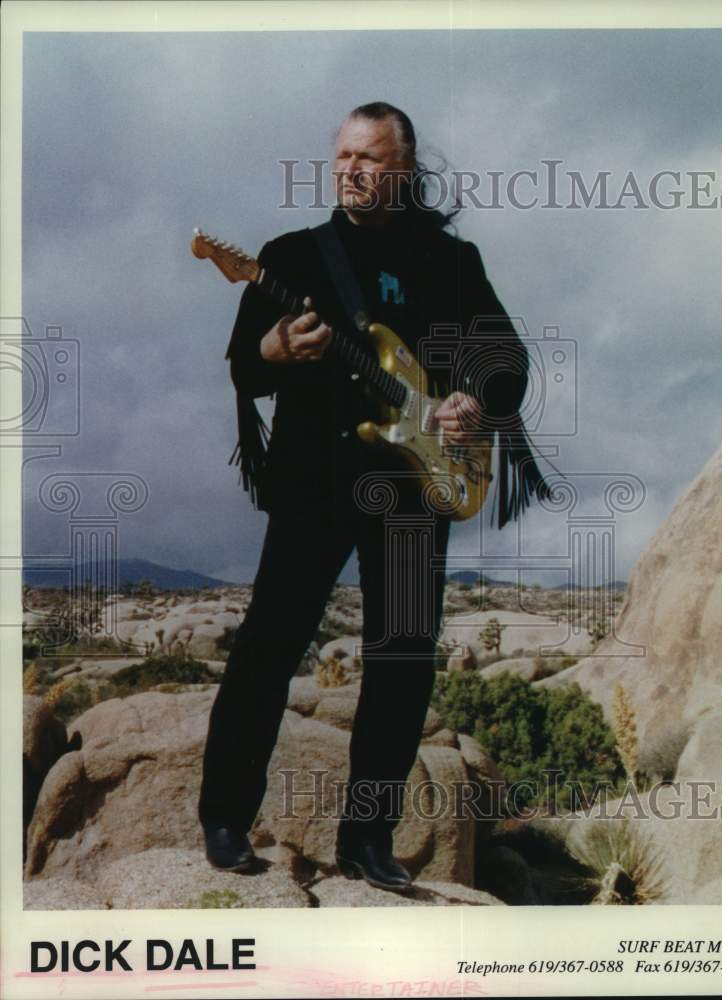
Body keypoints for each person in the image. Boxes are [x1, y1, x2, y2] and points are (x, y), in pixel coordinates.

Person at [198, 102, 548, 892]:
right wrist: (275, 346)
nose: (352, 170)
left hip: (414, 486)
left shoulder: (451, 263)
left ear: (404, 171)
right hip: (314, 481)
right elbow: (244, 367)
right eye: (343, 157)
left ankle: (368, 841)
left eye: (370, 159)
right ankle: (224, 819)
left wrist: (473, 403)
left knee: (401, 662)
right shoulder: (291, 258)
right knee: (268, 645)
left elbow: (504, 357)